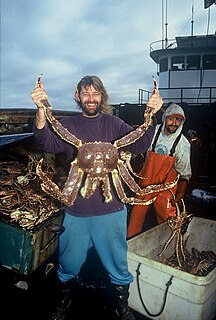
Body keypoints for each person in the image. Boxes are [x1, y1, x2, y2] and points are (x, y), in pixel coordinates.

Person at [31, 75, 163, 320]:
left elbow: (139, 144)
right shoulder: (69, 125)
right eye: (85, 94)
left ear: (102, 96)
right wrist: (41, 110)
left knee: (118, 264)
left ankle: (122, 307)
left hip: (111, 211)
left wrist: (152, 114)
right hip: (76, 212)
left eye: (95, 94)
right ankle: (62, 301)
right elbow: (44, 142)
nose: (91, 99)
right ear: (78, 96)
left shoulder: (114, 124)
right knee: (69, 262)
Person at [127, 103, 192, 238]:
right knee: (136, 214)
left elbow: (185, 173)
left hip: (166, 187)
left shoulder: (183, 144)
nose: (174, 123)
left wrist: (180, 193)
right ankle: (131, 243)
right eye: (171, 119)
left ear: (182, 122)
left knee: (168, 219)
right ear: (164, 119)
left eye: (178, 120)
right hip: (146, 182)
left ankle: (170, 246)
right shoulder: (153, 131)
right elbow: (137, 147)